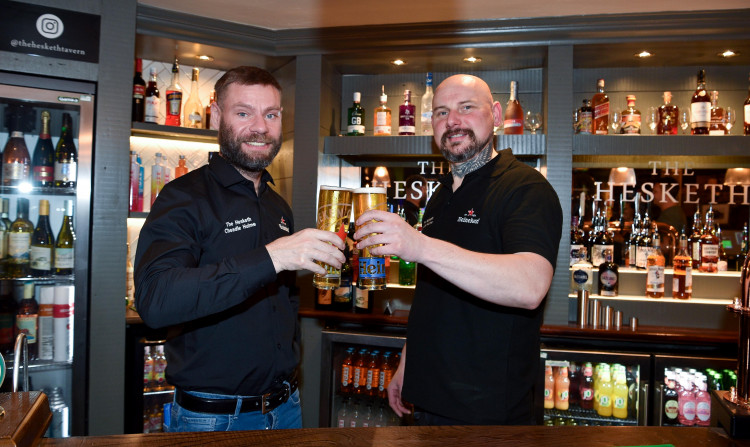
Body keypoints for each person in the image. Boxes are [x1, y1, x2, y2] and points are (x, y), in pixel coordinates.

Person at [134, 66, 345, 432]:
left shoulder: (278, 206)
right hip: (212, 418)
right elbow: (156, 299)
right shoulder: (184, 197)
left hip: (286, 407)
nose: (260, 127)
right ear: (217, 116)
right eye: (244, 113)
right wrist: (272, 257)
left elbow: (284, 300)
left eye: (271, 114)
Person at [355, 74, 563, 425]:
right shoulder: (441, 196)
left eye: (466, 108)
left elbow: (530, 286)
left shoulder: (526, 188)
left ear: (496, 115)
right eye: (441, 112)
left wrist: (420, 245)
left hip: (485, 411)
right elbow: (432, 292)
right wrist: (408, 363)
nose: (452, 121)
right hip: (426, 398)